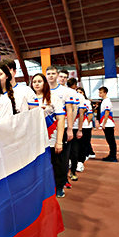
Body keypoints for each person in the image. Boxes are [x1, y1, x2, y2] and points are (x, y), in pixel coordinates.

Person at [31, 73, 66, 197]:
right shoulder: (30, 98)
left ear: (44, 83)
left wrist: (59, 141)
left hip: (52, 136)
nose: (36, 83)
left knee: (56, 163)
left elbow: (61, 119)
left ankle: (60, 186)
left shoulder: (53, 97)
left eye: (39, 81)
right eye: (34, 81)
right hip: (36, 138)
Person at [45, 66, 75, 196]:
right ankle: (49, 185)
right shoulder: (42, 90)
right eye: (48, 73)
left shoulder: (65, 91)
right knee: (48, 160)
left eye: (53, 73)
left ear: (57, 75)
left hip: (61, 129)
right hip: (46, 131)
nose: (51, 76)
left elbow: (70, 110)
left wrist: (70, 129)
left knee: (61, 160)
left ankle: (60, 185)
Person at [67, 78, 85, 181]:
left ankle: (73, 171)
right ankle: (70, 172)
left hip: (72, 127)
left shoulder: (79, 97)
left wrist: (79, 129)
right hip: (64, 127)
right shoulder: (63, 93)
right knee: (68, 151)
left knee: (73, 151)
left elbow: (81, 113)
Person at [76, 87, 94, 169]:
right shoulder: (75, 101)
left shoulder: (86, 102)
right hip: (77, 124)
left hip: (85, 125)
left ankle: (85, 156)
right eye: (77, 92)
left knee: (85, 142)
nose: (79, 93)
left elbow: (90, 114)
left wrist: (87, 122)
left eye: (81, 92)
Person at [99, 86, 117, 162]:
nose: (99, 94)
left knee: (111, 140)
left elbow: (107, 112)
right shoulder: (103, 101)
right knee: (109, 140)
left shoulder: (107, 101)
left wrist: (104, 123)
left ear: (105, 93)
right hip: (106, 123)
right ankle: (111, 154)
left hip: (108, 124)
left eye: (101, 93)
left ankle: (113, 156)